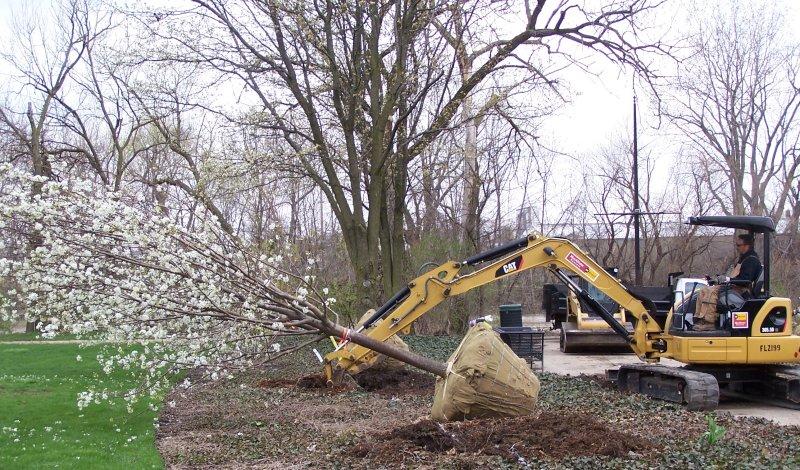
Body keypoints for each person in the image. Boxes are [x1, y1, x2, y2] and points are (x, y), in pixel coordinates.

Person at [694, 233, 762, 331]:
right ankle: (699, 319)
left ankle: (709, 322)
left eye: (738, 245)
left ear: (747, 245)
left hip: (741, 290)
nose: (737, 248)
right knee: (703, 290)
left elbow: (746, 280)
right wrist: (718, 280)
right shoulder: (744, 258)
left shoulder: (751, 260)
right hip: (733, 287)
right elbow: (736, 276)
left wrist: (728, 280)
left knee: (711, 292)